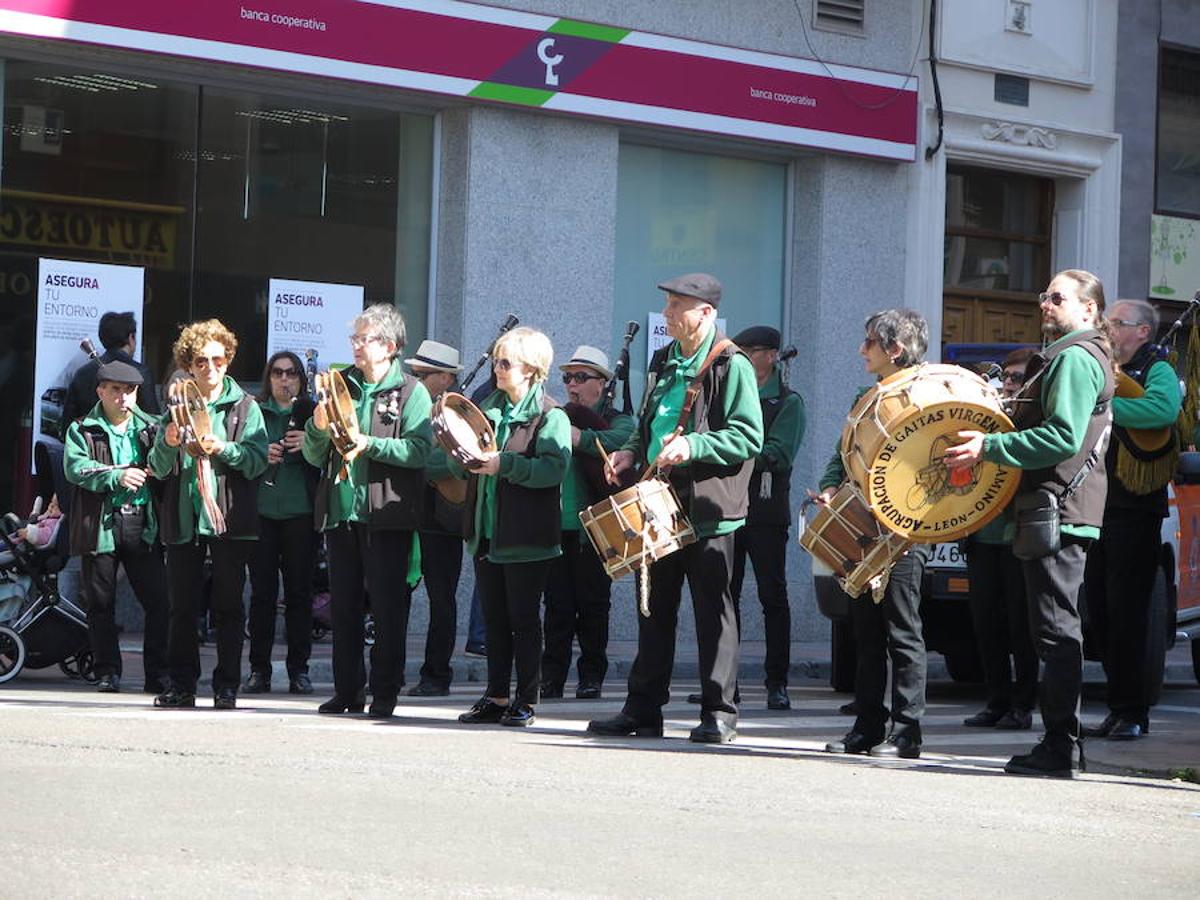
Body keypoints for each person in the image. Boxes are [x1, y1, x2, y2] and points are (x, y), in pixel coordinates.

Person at [946, 269, 1115, 778]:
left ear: (1088, 309)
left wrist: (987, 447)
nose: (1046, 303)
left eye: (1057, 297)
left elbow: (1063, 436)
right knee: (1054, 630)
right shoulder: (1079, 355)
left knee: (1057, 632)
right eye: (1044, 295)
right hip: (1061, 508)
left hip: (1058, 510)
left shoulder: (1073, 357)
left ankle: (1060, 747)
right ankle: (1065, 743)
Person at [588, 273, 763, 744]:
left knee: (714, 613)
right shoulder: (664, 360)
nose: (666, 315)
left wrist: (694, 447)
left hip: (710, 509)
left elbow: (749, 437)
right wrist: (628, 450)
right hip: (660, 504)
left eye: (676, 306)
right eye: (667, 305)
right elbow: (647, 420)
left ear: (705, 313)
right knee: (653, 608)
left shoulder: (732, 364)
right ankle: (643, 710)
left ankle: (720, 713)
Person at [303, 304, 431, 719]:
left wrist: (370, 444)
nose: (356, 346)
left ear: (389, 346)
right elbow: (311, 453)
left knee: (389, 609)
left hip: (387, 515)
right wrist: (318, 428)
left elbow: (419, 451)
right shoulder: (341, 385)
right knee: (344, 609)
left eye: (365, 339)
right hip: (342, 512)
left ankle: (385, 693)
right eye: (354, 339)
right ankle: (347, 691)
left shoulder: (412, 391)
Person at [820, 310, 933, 760]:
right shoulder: (864, 396)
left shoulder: (924, 394)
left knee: (902, 632)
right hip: (863, 526)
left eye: (869, 342)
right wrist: (831, 486)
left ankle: (907, 732)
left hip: (904, 531)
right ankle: (867, 727)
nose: (861, 350)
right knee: (864, 634)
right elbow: (842, 452)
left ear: (894, 349)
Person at [452, 327, 570, 728]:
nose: (497, 369)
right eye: (497, 361)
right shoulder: (490, 408)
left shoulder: (550, 416)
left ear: (531, 370)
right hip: (487, 530)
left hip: (526, 536)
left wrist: (506, 465)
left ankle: (526, 698)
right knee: (494, 620)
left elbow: (554, 469)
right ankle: (496, 695)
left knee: (523, 619)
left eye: (505, 362)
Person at [149, 320, 268, 709]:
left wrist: (224, 449)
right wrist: (167, 443)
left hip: (228, 519)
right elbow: (159, 466)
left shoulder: (246, 407)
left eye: (218, 359)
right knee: (182, 608)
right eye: (201, 361)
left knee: (229, 606)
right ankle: (182, 685)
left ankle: (227, 685)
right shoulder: (177, 406)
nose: (210, 367)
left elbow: (256, 461)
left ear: (229, 360)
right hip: (185, 517)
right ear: (189, 364)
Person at [1082, 299, 1181, 741]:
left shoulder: (1156, 368)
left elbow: (1160, 412)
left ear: (1143, 331)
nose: (1109, 329)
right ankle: (1119, 705)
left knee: (1129, 614)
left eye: (1117, 323)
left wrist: (1101, 409)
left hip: (1134, 511)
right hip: (1096, 505)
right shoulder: (1101, 366)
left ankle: (1132, 711)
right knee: (1100, 613)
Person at [63, 360, 168, 695]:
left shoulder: (152, 426)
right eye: (116, 390)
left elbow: (166, 467)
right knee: (100, 604)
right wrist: (116, 475)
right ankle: (107, 671)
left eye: (131, 390)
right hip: (101, 526)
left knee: (159, 602)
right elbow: (75, 469)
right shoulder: (82, 428)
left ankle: (157, 674)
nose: (124, 397)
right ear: (100, 391)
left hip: (142, 523)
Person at [541, 345, 634, 700]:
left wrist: (575, 428)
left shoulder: (619, 418)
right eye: (567, 377)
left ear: (603, 383)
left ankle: (591, 675)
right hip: (559, 525)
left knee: (594, 606)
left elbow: (616, 443)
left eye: (581, 377)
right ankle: (551, 677)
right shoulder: (561, 416)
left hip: (599, 527)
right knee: (557, 608)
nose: (572, 384)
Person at [961, 347, 1039, 731]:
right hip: (982, 535)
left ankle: (1023, 705)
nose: (1008, 384)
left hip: (1016, 534)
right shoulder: (990, 414)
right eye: (1006, 377)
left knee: (1021, 627)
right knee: (986, 622)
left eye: (1017, 378)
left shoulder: (1030, 418)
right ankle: (996, 701)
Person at [728, 325, 805, 710]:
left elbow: (779, 454)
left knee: (772, 596)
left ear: (770, 356)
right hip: (727, 507)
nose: (740, 357)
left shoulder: (788, 402)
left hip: (766, 511)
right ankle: (725, 683)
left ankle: (777, 682)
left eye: (749, 351)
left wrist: (730, 450)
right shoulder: (730, 394)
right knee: (725, 597)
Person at [243, 351, 319, 696]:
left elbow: (332, 454)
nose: (284, 380)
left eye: (291, 374)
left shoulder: (312, 414)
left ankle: (298, 670)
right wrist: (263, 455)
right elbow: (241, 455)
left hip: (301, 512)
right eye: (277, 373)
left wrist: (311, 444)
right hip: (262, 512)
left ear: (301, 380)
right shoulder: (254, 412)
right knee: (262, 595)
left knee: (300, 594)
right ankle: (259, 670)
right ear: (268, 377)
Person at [405, 339, 466, 697]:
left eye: (425, 374)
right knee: (392, 597)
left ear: (446, 379)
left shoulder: (458, 415)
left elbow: (459, 461)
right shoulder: (403, 408)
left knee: (442, 600)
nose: (416, 379)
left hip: (442, 518)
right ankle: (386, 671)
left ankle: (436, 674)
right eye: (416, 373)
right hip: (406, 513)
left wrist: (416, 463)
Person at [61, 311, 160, 439]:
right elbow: (152, 420)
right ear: (131, 338)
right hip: (130, 450)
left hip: (87, 447)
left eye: (128, 390)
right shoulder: (140, 373)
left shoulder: (82, 373)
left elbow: (67, 426)